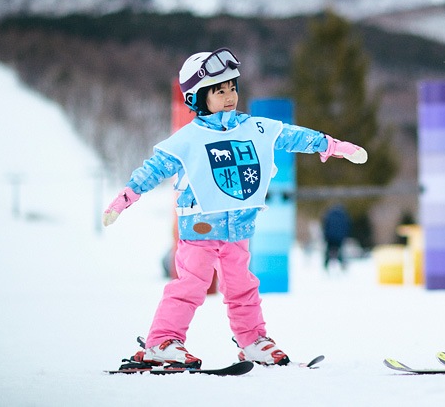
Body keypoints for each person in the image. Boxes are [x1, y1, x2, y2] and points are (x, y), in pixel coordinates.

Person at [102, 48, 368, 368]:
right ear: (198, 97)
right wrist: (124, 198)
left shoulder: (252, 128)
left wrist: (334, 146)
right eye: (219, 90)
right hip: (200, 225)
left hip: (239, 225)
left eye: (232, 88)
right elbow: (154, 168)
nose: (229, 96)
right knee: (191, 284)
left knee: (242, 286)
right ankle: (162, 341)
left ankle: (253, 340)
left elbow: (291, 136)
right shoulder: (189, 138)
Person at [322, 203, 351, 270]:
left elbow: (326, 226)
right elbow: (347, 226)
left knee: (328, 252)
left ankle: (326, 266)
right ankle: (343, 266)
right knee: (341, 252)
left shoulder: (329, 214)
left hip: (330, 237)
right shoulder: (343, 215)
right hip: (340, 237)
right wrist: (345, 235)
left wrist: (326, 236)